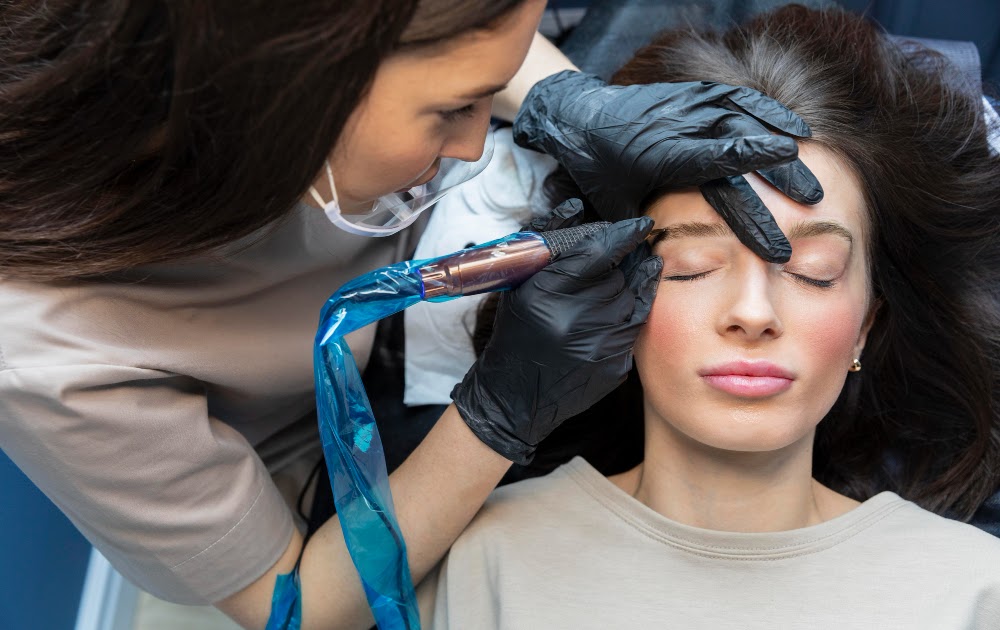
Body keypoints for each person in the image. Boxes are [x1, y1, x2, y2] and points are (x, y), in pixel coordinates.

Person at [0, 1, 826, 627]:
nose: (475, 146)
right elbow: (298, 605)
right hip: (366, 451)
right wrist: (500, 411)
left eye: (816, 272)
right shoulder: (45, 351)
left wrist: (562, 96)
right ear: (288, 93)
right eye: (452, 111)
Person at [427, 5, 1000, 627]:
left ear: (867, 324)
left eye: (814, 271)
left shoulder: (975, 589)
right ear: (608, 299)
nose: (752, 314)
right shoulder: (479, 559)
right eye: (691, 266)